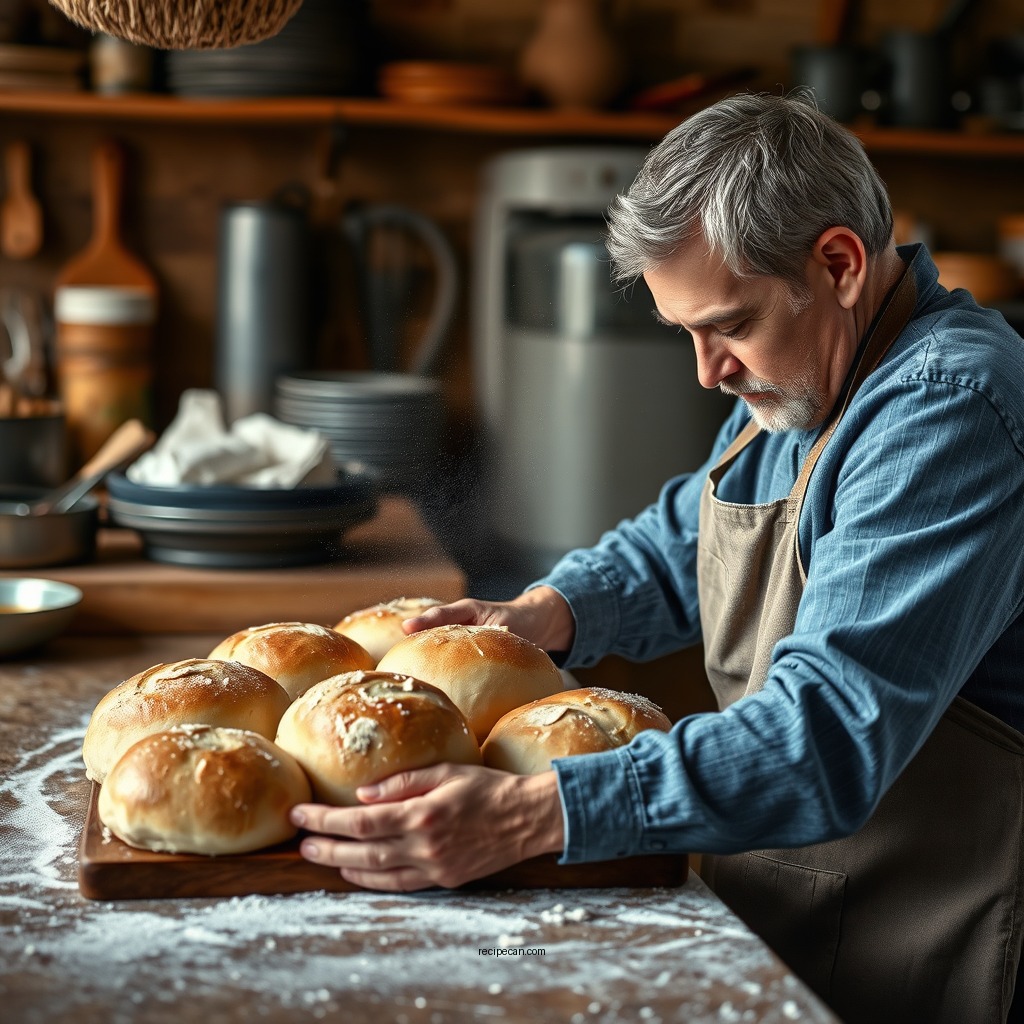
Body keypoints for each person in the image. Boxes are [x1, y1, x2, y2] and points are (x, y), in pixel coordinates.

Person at [290, 91, 1024, 1023]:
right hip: (804, 894)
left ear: (838, 263)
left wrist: (532, 812)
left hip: (926, 930)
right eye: (686, 332)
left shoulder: (948, 411)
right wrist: (547, 611)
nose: (707, 370)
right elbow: (694, 524)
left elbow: (825, 740)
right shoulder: (818, 363)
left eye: (728, 326)